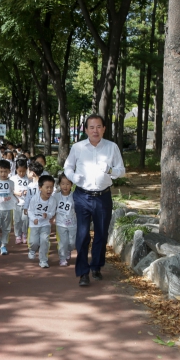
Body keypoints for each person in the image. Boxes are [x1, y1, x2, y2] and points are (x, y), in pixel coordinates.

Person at [64, 114, 125, 286]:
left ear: (104, 128)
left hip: (103, 196)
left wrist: (110, 170)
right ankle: (83, 272)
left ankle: (96, 266)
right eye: (91, 127)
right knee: (83, 235)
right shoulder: (78, 147)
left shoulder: (112, 148)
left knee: (101, 233)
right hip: (82, 195)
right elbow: (67, 166)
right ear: (86, 130)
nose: (95, 130)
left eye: (98, 127)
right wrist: (74, 177)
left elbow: (121, 170)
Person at [24, 175, 56, 268]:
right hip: (34, 224)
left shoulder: (52, 200)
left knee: (44, 241)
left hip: (45, 224)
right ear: (40, 188)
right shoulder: (34, 198)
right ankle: (32, 250)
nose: (49, 190)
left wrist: (48, 215)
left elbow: (52, 212)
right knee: (34, 242)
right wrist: (34, 219)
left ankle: (43, 260)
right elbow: (30, 210)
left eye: (51, 187)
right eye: (47, 187)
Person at [0, 160, 17, 255]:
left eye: (5, 171)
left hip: (8, 208)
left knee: (6, 228)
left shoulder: (11, 183)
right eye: (1, 171)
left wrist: (15, 200)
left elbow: (12, 193)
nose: (3, 173)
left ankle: (3, 245)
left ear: (9, 171)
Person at [53, 173, 76, 267]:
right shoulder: (56, 196)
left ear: (71, 184)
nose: (65, 186)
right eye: (63, 183)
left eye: (67, 184)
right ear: (59, 184)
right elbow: (52, 207)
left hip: (73, 223)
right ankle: (62, 258)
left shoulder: (74, 196)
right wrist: (51, 217)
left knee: (72, 243)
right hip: (60, 223)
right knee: (63, 242)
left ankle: (68, 250)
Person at [11, 159, 29, 244]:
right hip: (16, 202)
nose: (21, 173)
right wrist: (16, 193)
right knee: (17, 220)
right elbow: (10, 190)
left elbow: (32, 189)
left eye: (23, 171)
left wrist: (27, 192)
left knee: (25, 219)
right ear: (16, 170)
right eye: (19, 171)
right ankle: (17, 235)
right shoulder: (12, 179)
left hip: (26, 203)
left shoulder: (29, 179)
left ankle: (24, 233)